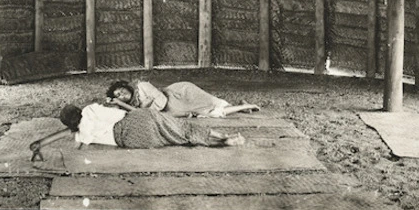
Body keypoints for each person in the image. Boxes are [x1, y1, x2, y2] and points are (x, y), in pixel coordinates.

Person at [29, 102, 245, 157]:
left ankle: (222, 141)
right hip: (137, 118)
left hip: (134, 138)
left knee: (176, 138)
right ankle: (222, 137)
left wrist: (41, 143)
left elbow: (76, 144)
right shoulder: (91, 109)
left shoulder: (83, 132)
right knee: (182, 127)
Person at [105, 79, 260, 118]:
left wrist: (147, 110)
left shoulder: (142, 86)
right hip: (177, 109)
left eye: (121, 91)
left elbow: (161, 100)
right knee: (210, 113)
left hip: (180, 94)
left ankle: (246, 106)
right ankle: (243, 106)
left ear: (126, 87)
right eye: (118, 96)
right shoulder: (130, 106)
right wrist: (118, 104)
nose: (122, 95)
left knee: (213, 105)